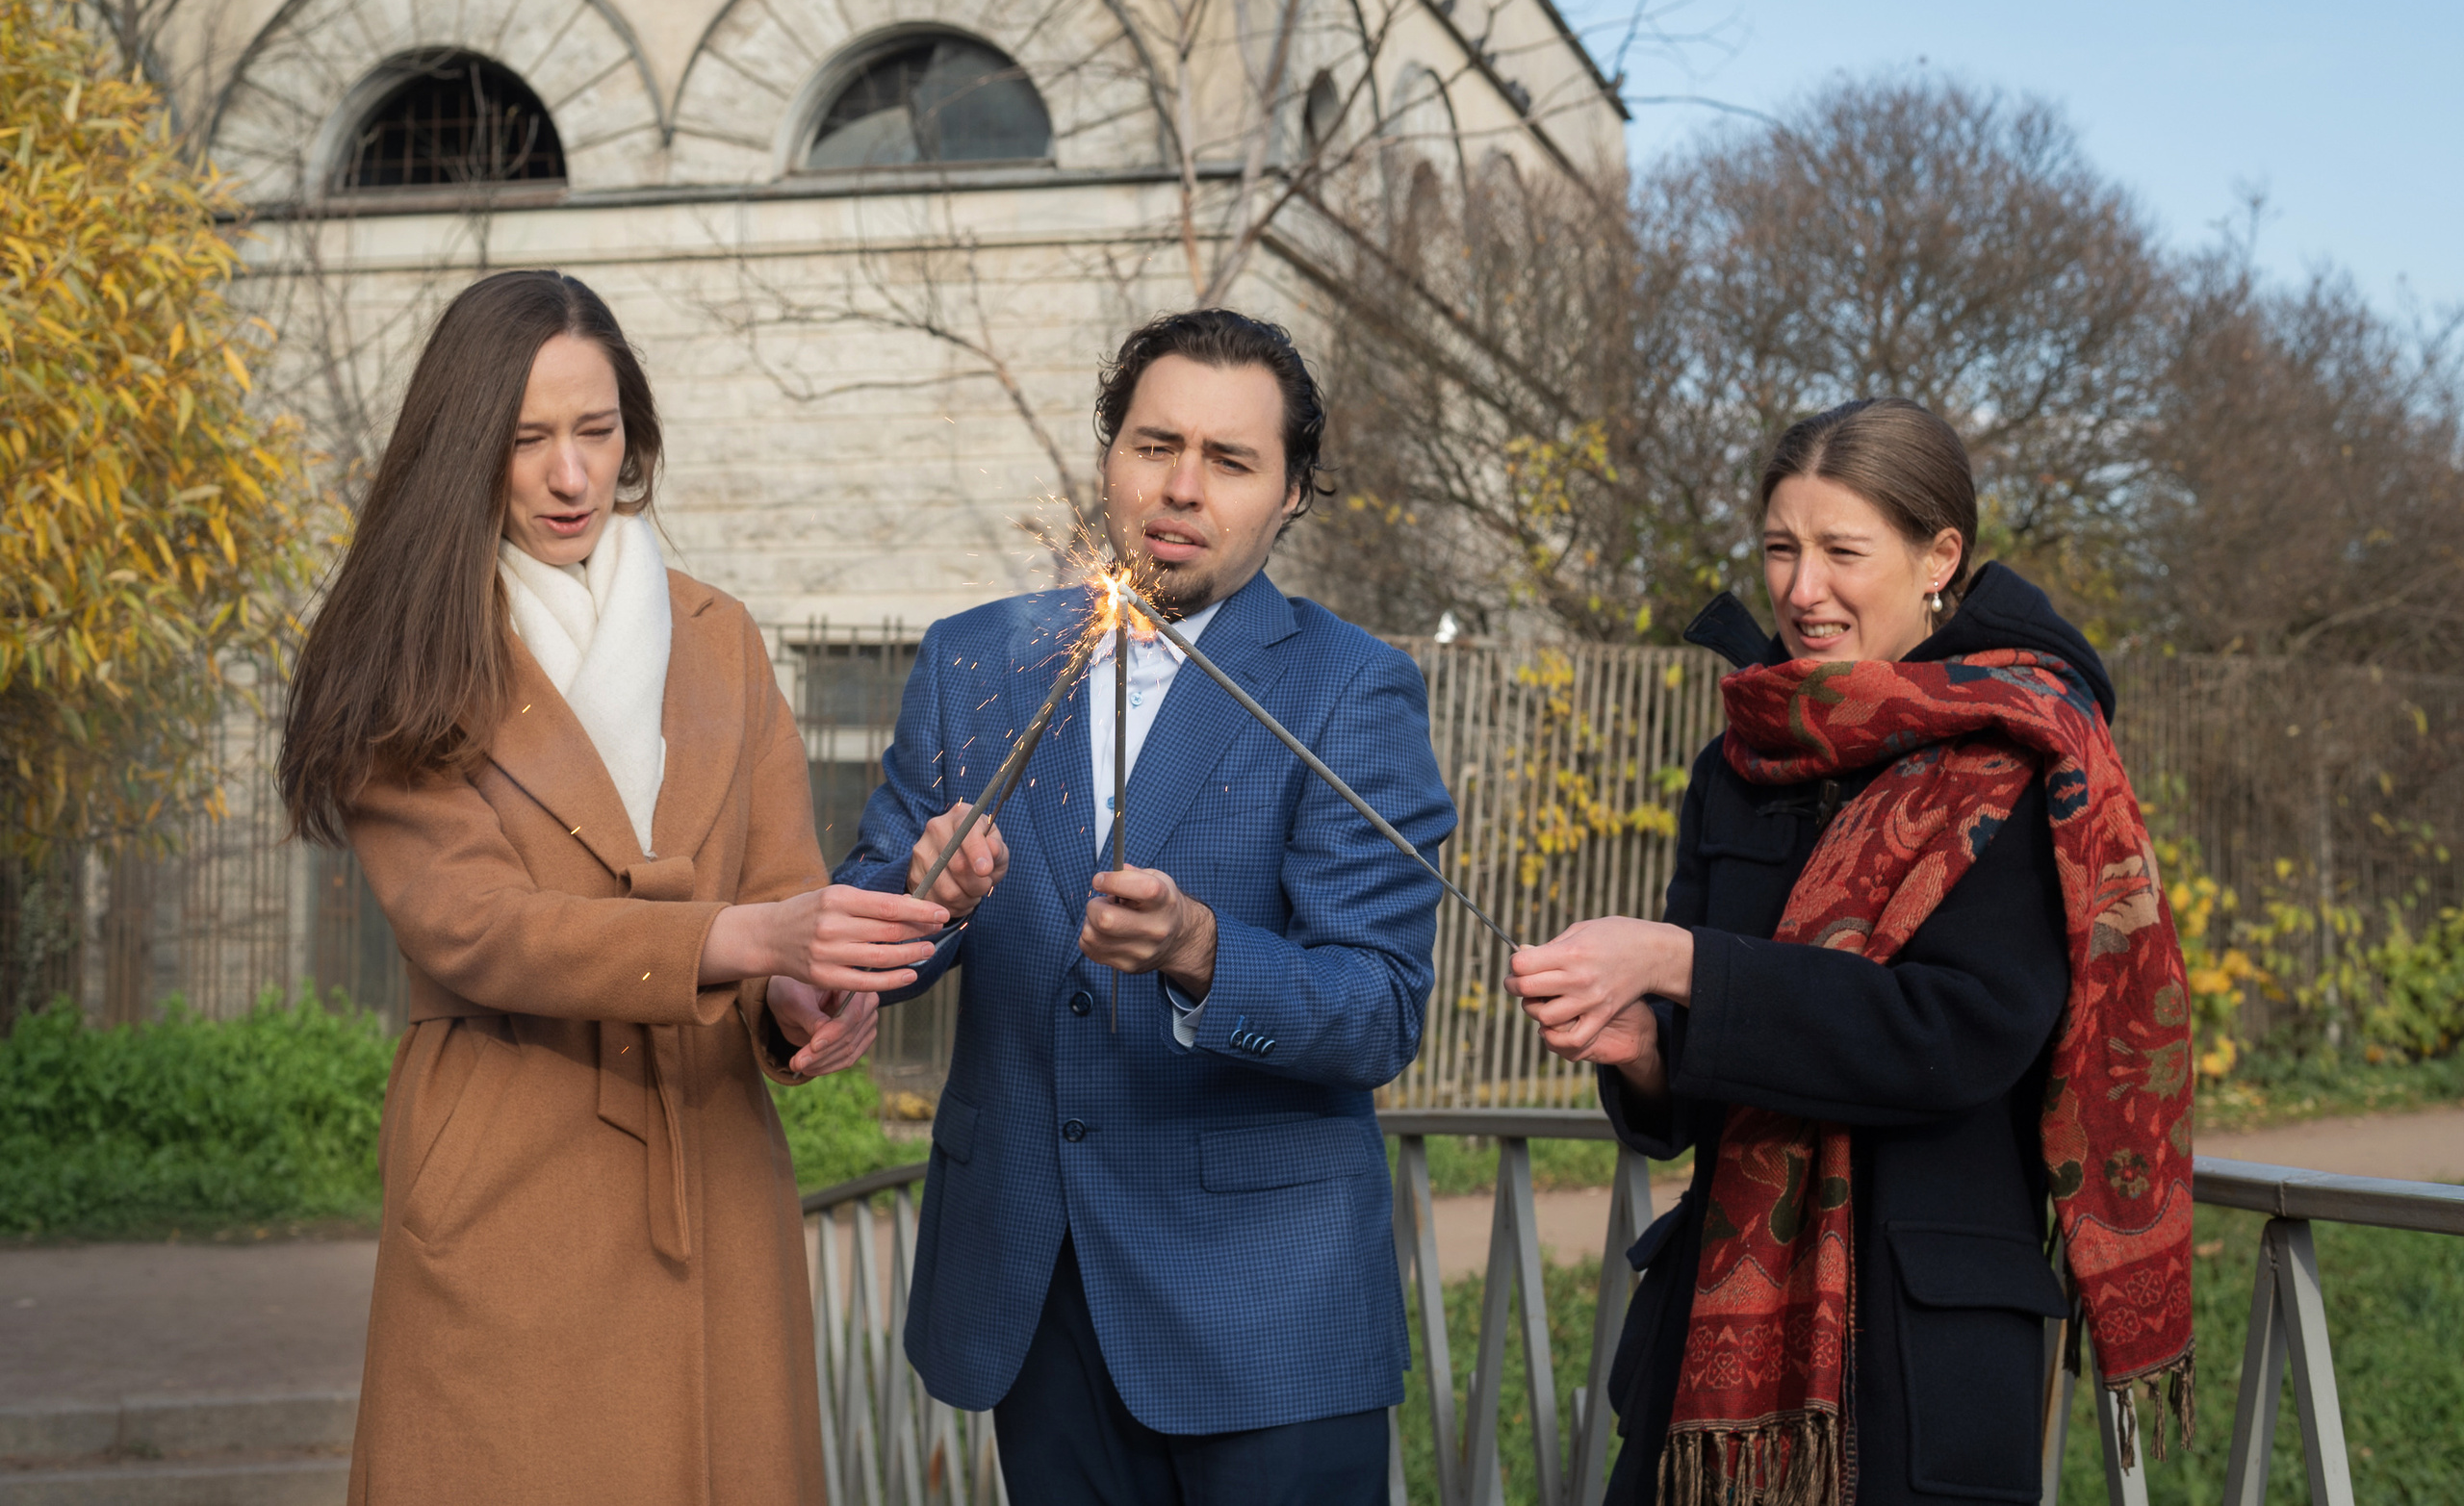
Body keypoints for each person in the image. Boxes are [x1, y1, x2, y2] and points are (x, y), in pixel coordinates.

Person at [278, 269, 947, 1506]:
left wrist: (803, 1001)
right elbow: (470, 925)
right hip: (507, 1166)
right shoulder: (406, 648)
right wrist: (743, 938)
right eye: (525, 441)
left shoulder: (721, 639)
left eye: (596, 433)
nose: (569, 475)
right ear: (462, 447)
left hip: (713, 1167)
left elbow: (782, 899)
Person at [1507, 399, 2194, 1506]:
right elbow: (1690, 1101)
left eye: (1840, 551)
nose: (1799, 588)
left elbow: (1960, 1037)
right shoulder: (1738, 763)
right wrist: (1643, 1050)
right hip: (1714, 1382)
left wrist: (1685, 966)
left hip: (1919, 1366)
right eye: (1780, 548)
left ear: (1938, 558)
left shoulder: (2018, 758)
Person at [834, 309, 1456, 1505]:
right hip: (1032, 1286)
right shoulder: (975, 660)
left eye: (1230, 462)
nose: (1180, 488)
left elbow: (1378, 1012)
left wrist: (1201, 952)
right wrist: (928, 898)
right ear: (1107, 454)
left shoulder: (1350, 687)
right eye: (1152, 444)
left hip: (1268, 1315)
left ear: (1290, 499)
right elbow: (868, 928)